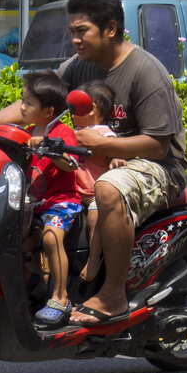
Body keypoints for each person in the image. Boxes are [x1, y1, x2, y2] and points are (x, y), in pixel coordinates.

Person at [0, 0, 186, 326]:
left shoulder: (145, 72)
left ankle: (113, 295)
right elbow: (37, 103)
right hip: (95, 162)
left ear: (110, 29)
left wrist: (102, 144)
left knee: (109, 188)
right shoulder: (79, 67)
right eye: (73, 32)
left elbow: (158, 146)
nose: (76, 40)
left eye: (83, 31)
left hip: (156, 166)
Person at [20, 71, 83, 328]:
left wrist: (53, 150)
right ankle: (35, 288)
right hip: (34, 203)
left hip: (62, 201)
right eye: (22, 101)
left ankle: (60, 298)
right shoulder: (26, 132)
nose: (22, 107)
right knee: (15, 234)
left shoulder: (62, 131)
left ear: (48, 111)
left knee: (50, 236)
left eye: (28, 103)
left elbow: (71, 165)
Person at [71, 80, 119, 284]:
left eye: (76, 108)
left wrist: (117, 158)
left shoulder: (104, 134)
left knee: (94, 220)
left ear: (91, 109)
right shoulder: (73, 132)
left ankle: (93, 260)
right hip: (74, 192)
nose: (71, 114)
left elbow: (115, 150)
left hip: (93, 194)